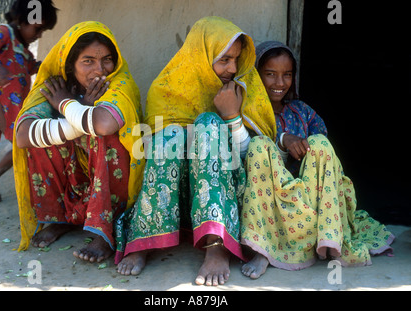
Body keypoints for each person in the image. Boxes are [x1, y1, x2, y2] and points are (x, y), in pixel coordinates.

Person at [114, 16, 276, 286]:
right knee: (169, 135)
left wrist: (232, 116)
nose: (232, 68)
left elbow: (259, 156)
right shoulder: (164, 88)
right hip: (172, 197)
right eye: (224, 59)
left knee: (209, 124)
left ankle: (217, 246)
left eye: (236, 59)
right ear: (200, 55)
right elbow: (150, 155)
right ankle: (145, 239)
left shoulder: (243, 89)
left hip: (227, 194)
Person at [240, 41, 395, 279]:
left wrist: (304, 147)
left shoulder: (302, 112)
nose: (279, 83)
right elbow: (244, 151)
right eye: (270, 74)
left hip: (308, 198)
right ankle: (263, 250)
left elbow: (325, 156)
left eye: (287, 75)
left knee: (320, 144)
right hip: (267, 203)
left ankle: (330, 238)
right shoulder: (246, 113)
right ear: (256, 76)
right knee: (259, 145)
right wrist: (282, 139)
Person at [13, 21, 145, 263]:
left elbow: (103, 124)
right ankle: (60, 218)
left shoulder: (118, 83)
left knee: (101, 135)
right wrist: (82, 111)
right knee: (41, 139)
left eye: (107, 59)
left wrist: (66, 105)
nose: (100, 70)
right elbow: (22, 136)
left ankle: (106, 233)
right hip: (78, 179)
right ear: (70, 65)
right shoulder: (56, 85)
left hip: (113, 182)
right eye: (88, 61)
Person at [0, 0, 58, 204]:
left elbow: (32, 66)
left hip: (15, 106)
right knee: (22, 142)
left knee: (22, 143)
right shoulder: (3, 32)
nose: (39, 35)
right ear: (22, 19)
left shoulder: (23, 49)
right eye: (38, 29)